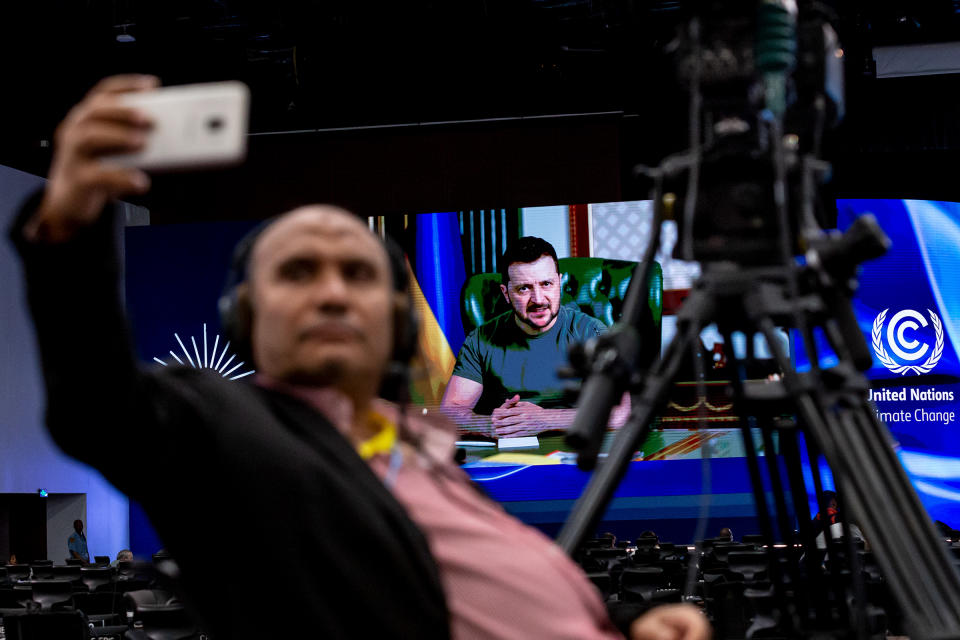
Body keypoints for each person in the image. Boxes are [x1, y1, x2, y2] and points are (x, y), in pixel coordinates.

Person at [12, 74, 710, 640]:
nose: (333, 293)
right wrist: (70, 227)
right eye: (298, 272)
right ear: (245, 316)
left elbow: (503, 573)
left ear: (395, 325)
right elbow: (99, 408)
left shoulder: (406, 442)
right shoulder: (228, 427)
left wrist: (625, 620)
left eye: (358, 274)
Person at [442, 236, 629, 437]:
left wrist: (544, 420)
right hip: (508, 456)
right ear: (506, 293)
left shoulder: (591, 331)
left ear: (559, 282)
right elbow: (449, 413)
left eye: (546, 284)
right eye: (524, 288)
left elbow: (620, 413)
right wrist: (489, 425)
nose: (538, 300)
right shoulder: (481, 340)